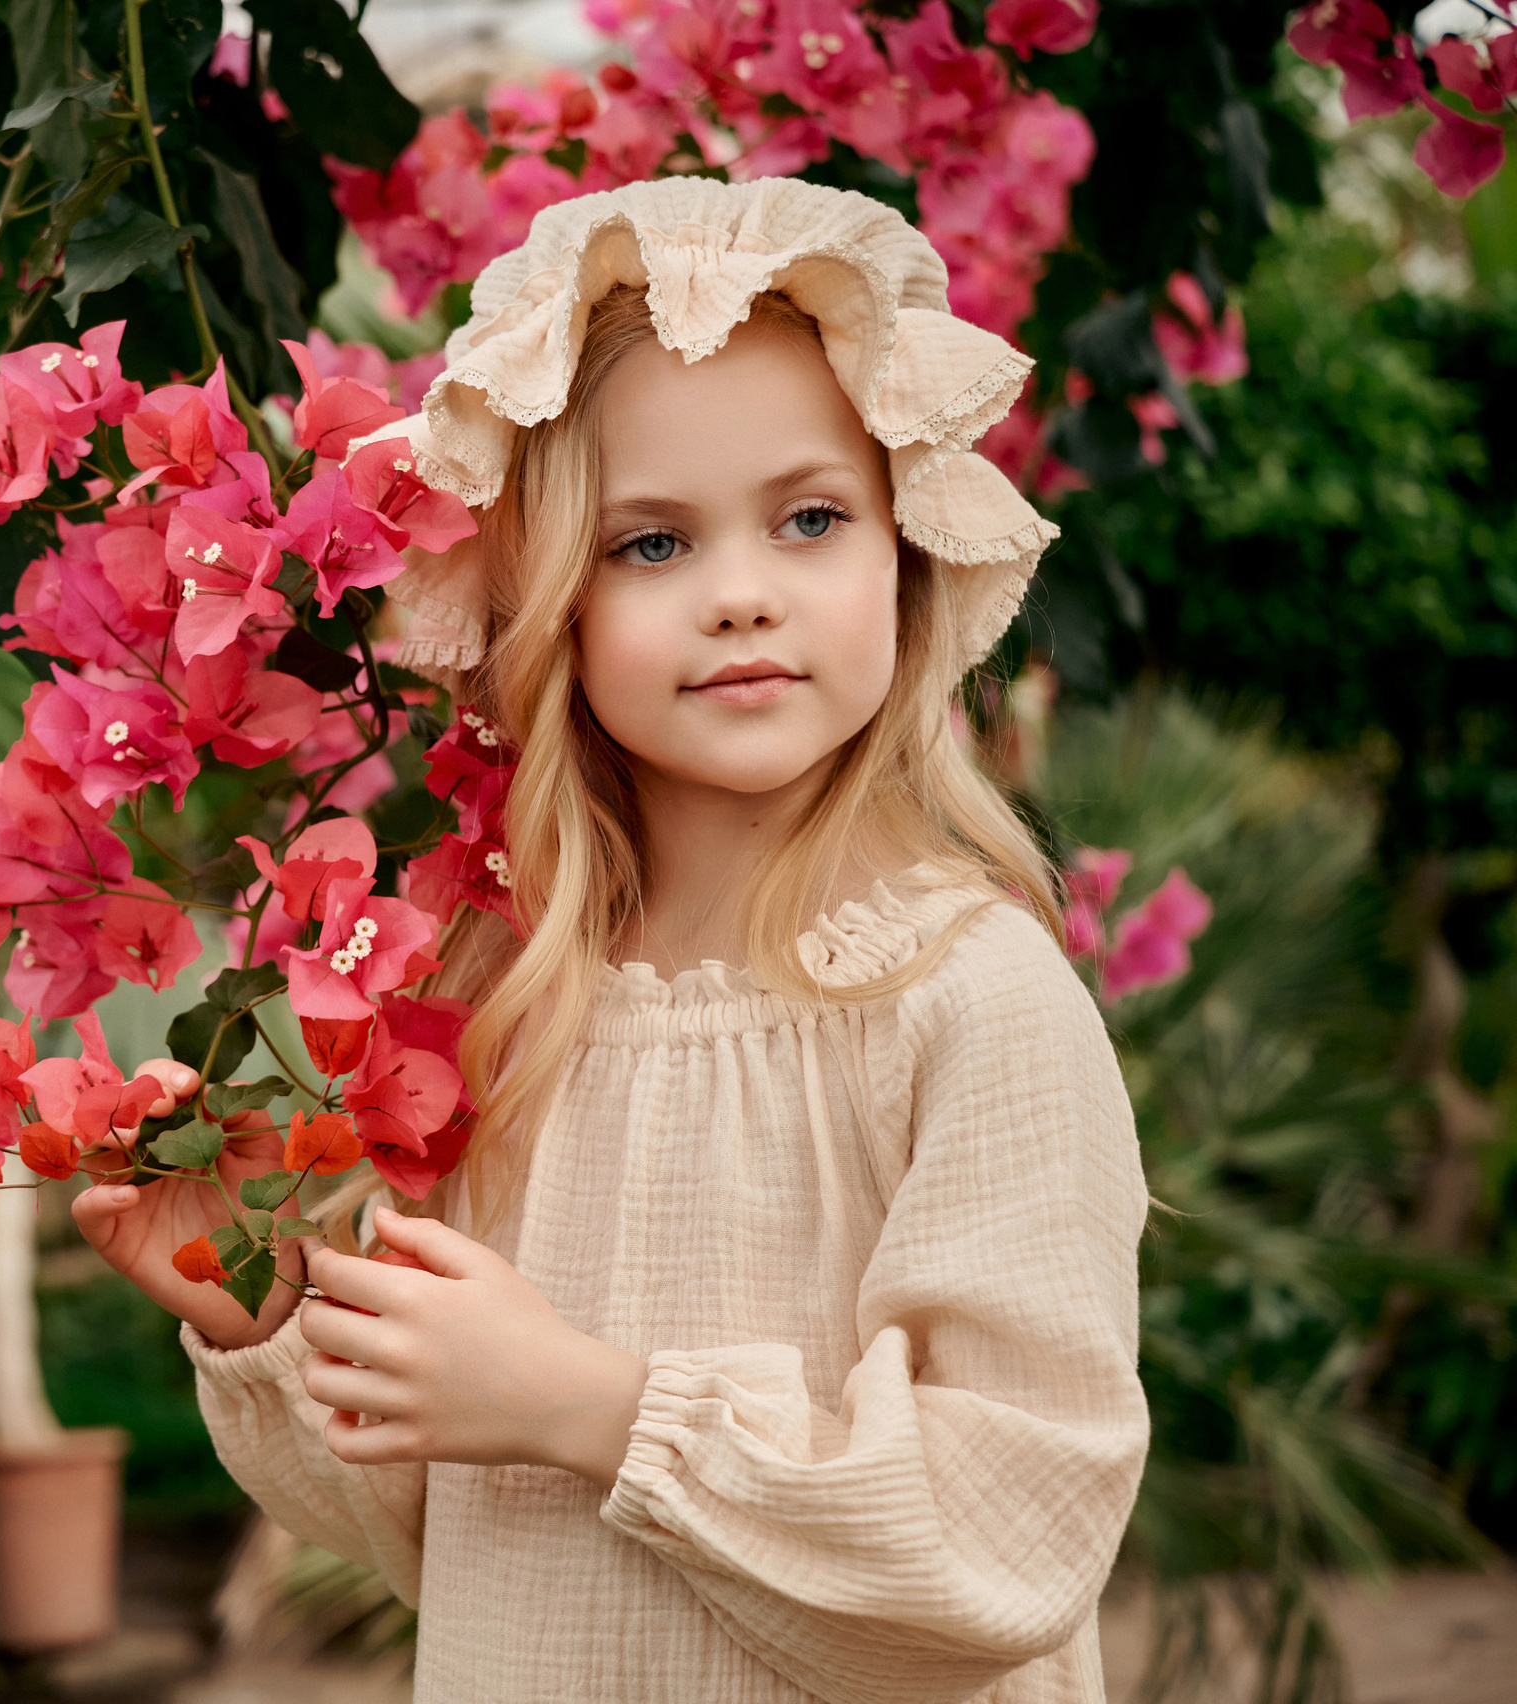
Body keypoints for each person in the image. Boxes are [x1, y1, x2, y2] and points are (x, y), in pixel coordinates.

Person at [73, 177, 1149, 1704]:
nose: (740, 595)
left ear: (905, 560)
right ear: (547, 606)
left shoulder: (968, 995)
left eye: (811, 518)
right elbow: (448, 1532)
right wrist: (275, 1304)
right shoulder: (506, 1002)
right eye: (651, 544)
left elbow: (1013, 1532)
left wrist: (598, 1410)